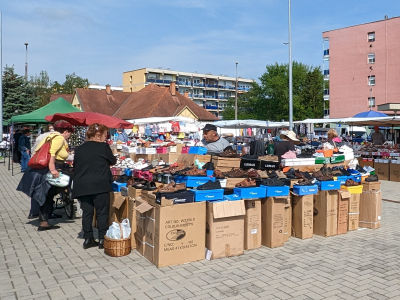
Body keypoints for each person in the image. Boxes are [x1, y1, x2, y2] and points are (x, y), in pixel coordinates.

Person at [17, 120, 74, 231]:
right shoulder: (59, 138)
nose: (70, 135)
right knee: (59, 186)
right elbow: (52, 153)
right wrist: (52, 169)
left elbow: (36, 150)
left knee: (46, 194)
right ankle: (45, 220)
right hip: (53, 168)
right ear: (66, 131)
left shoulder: (48, 137)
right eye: (70, 133)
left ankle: (44, 221)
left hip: (43, 169)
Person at [72, 124, 117, 249]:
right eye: (104, 135)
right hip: (100, 184)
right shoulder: (103, 147)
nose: (105, 138)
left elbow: (76, 165)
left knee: (87, 213)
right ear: (99, 135)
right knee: (102, 212)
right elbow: (112, 161)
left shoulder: (79, 148)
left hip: (82, 185)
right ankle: (102, 239)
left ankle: (88, 239)